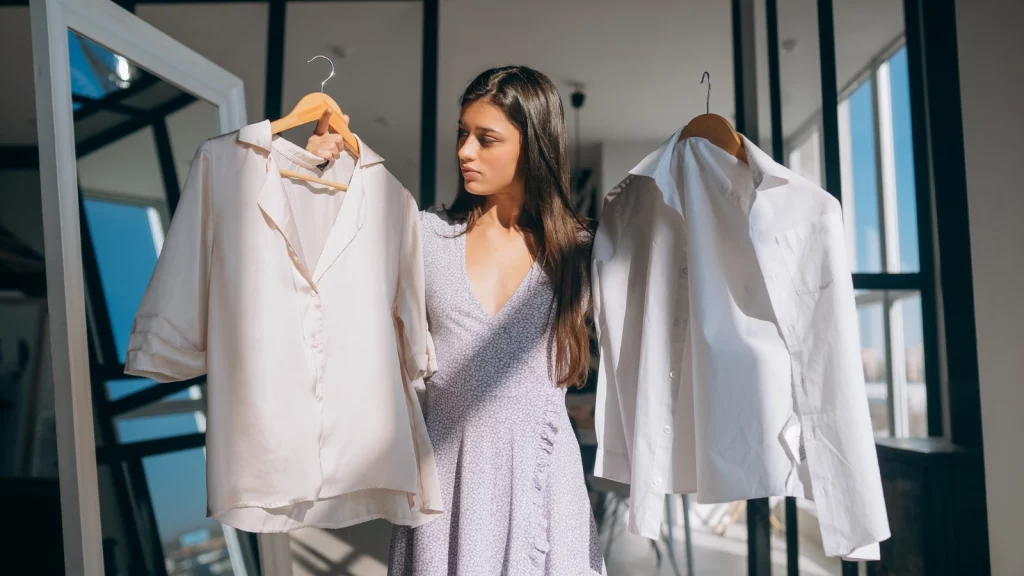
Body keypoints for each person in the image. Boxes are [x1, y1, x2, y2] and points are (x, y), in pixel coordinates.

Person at [306, 66, 606, 575]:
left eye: (486, 138)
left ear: (532, 146)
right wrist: (316, 175)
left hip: (542, 485)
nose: (465, 151)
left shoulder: (579, 249)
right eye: (462, 134)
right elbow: (325, 270)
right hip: (445, 482)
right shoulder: (425, 236)